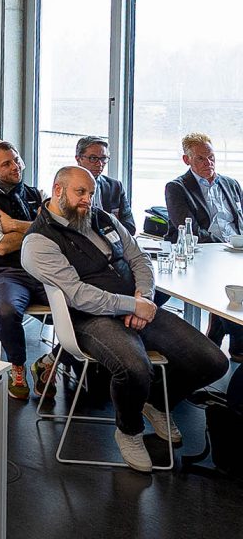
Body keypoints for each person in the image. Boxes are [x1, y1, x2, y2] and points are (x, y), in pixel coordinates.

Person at [22, 166, 228, 472]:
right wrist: (130, 305)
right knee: (135, 368)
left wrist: (143, 296)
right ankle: (129, 430)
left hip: (136, 305)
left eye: (91, 193)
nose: (88, 200)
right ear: (58, 190)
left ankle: (156, 403)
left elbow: (139, 258)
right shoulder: (39, 241)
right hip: (89, 320)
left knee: (212, 361)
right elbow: (79, 295)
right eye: (81, 192)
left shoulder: (103, 219)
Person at [0, 141, 55, 400]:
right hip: (8, 271)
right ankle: (17, 366)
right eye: (7, 163)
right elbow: (2, 246)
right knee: (6, 311)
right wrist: (40, 226)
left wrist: (16, 225)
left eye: (16, 160)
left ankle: (49, 361)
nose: (15, 166)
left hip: (44, 269)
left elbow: (59, 235)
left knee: (83, 305)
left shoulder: (37, 194)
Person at [165, 132, 243, 361]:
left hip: (234, 250)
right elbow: (187, 228)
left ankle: (218, 338)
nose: (208, 163)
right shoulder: (177, 187)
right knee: (228, 280)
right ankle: (234, 341)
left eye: (211, 157)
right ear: (186, 160)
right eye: (200, 159)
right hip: (205, 252)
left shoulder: (230, 184)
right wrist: (224, 246)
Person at [75, 136, 134, 234]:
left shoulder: (115, 186)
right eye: (93, 158)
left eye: (103, 158)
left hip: (112, 243)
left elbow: (130, 227)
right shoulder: (67, 186)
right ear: (78, 159)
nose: (99, 164)